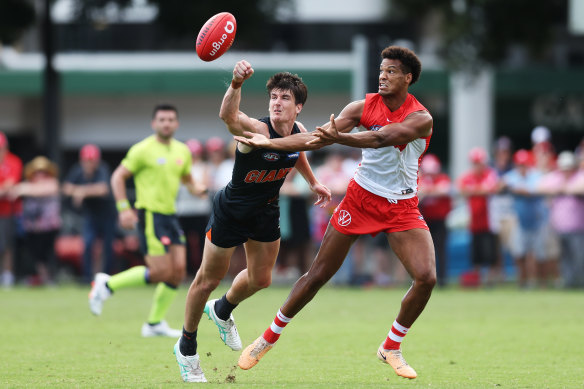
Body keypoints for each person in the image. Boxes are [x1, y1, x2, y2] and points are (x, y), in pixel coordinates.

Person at [235, 46, 434, 379]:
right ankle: (267, 338)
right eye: (381, 70)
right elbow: (314, 139)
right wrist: (268, 144)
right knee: (317, 275)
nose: (383, 76)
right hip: (360, 199)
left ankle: (391, 347)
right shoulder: (361, 106)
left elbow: (380, 138)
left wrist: (339, 137)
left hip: (401, 205)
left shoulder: (420, 117)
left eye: (392, 71)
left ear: (408, 78)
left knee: (427, 277)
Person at [174, 60, 332, 383]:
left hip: (266, 211)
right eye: (273, 96)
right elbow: (228, 117)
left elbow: (297, 151)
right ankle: (186, 346)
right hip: (231, 211)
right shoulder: (257, 131)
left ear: (298, 107)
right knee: (207, 279)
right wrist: (235, 84)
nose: (276, 102)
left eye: (285, 98)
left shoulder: (299, 131)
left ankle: (221, 310)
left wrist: (313, 181)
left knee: (261, 279)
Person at [88, 104, 207, 337]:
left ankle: (153, 324)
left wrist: (200, 189)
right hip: (151, 215)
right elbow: (117, 177)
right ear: (154, 123)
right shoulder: (142, 150)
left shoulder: (182, 151)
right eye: (162, 119)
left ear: (177, 124)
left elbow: (188, 181)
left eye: (171, 119)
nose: (166, 123)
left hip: (171, 216)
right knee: (161, 272)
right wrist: (123, 209)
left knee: (178, 272)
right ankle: (107, 285)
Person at [62, 144, 117, 284]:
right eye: (86, 160)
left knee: (107, 246)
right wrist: (80, 191)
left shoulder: (102, 169)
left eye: (92, 160)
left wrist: (82, 192)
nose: (89, 163)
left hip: (107, 214)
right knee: (87, 244)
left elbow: (103, 189)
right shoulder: (77, 171)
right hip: (91, 215)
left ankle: (105, 278)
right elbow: (66, 188)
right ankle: (87, 278)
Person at [10, 156, 61, 285]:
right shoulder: (28, 184)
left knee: (48, 253)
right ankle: (41, 277)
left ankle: (50, 278)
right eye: (37, 172)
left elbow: (42, 190)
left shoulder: (52, 183)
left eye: (43, 172)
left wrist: (23, 188)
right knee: (35, 254)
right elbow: (15, 190)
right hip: (32, 227)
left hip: (49, 227)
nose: (40, 175)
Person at [457, 147, 500, 286]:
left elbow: (491, 188)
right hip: (474, 222)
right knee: (476, 255)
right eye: (474, 163)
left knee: (491, 254)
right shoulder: (469, 176)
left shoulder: (490, 173)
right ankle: (479, 282)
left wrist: (474, 190)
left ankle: (491, 281)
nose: (476, 166)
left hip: (490, 222)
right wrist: (478, 190)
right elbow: (461, 188)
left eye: (478, 163)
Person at [418, 153, 452, 287]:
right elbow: (418, 192)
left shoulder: (443, 178)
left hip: (440, 220)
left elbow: (443, 190)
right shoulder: (421, 179)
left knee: (441, 250)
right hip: (425, 220)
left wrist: (427, 191)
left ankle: (442, 279)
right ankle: (424, 279)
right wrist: (428, 190)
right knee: (424, 252)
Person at [0, 132, 22, 288]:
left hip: (7, 211)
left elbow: (10, 185)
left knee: (7, 245)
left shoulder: (14, 161)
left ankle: (7, 277)